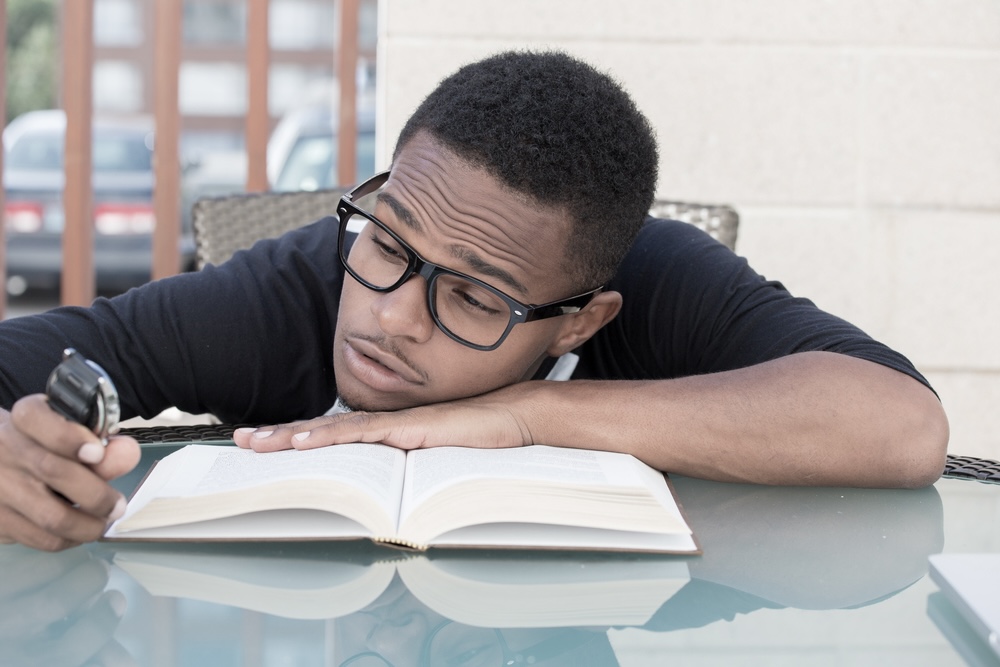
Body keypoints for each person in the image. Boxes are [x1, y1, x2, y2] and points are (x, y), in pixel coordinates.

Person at [0, 50, 948, 551]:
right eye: (389, 241)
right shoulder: (304, 286)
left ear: (582, 319)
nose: (392, 317)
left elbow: (900, 427)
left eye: (476, 297)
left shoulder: (659, 277)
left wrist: (528, 415)